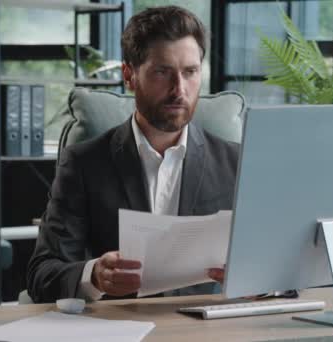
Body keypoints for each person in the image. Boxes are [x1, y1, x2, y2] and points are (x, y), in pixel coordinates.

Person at [27, 6, 237, 303]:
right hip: (121, 328)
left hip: (208, 329)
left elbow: (275, 271)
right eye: (163, 72)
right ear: (129, 75)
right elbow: (42, 275)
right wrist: (95, 276)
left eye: (190, 72)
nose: (180, 89)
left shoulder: (236, 163)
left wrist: (252, 277)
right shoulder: (84, 164)